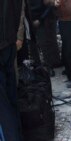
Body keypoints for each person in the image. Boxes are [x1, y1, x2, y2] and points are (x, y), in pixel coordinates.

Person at [0, 0, 23, 141]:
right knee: (10, 96)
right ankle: (17, 136)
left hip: (6, 43)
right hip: (9, 43)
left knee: (3, 106)